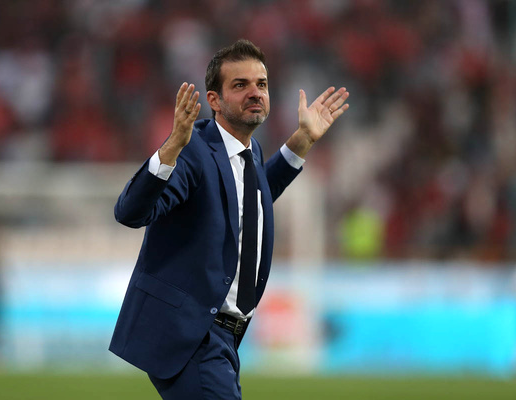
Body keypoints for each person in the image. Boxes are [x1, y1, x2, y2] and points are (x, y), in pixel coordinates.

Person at [109, 39, 349, 399]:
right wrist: (172, 145)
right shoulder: (193, 150)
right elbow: (130, 212)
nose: (255, 92)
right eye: (240, 85)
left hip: (223, 338)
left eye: (261, 84)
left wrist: (302, 140)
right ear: (215, 100)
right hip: (191, 335)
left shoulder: (248, 152)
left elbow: (251, 201)